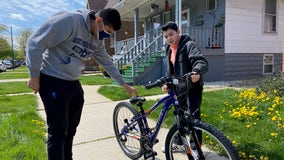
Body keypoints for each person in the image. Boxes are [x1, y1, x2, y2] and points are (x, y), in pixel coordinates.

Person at [26, 8, 138, 160]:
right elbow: (35, 42)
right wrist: (34, 76)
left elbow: (106, 62)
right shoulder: (70, 21)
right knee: (58, 131)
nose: (105, 37)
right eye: (106, 32)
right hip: (52, 78)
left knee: (71, 128)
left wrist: (124, 84)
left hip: (72, 81)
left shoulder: (97, 40)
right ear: (99, 20)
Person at [161, 21, 208, 154]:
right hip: (178, 90)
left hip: (192, 88)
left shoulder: (189, 45)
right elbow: (170, 70)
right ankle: (178, 143)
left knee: (193, 118)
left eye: (171, 34)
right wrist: (167, 83)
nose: (168, 38)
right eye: (165, 36)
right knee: (179, 117)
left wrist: (196, 72)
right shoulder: (169, 49)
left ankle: (196, 148)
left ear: (178, 32)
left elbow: (200, 61)